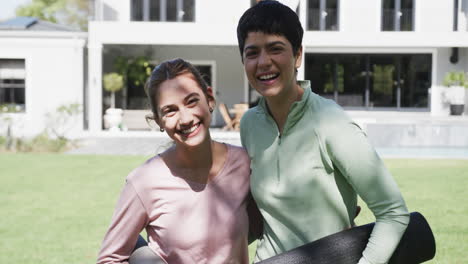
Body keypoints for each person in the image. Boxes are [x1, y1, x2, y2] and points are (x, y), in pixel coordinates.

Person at [237, 1, 410, 264]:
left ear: (297, 56)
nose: (263, 62)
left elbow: (393, 212)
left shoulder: (330, 121)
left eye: (275, 49)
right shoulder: (249, 124)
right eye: (252, 53)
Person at [97, 58, 254, 264]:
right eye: (170, 110)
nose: (186, 118)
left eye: (191, 101)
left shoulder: (243, 164)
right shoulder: (144, 182)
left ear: (209, 99)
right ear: (159, 121)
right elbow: (109, 259)